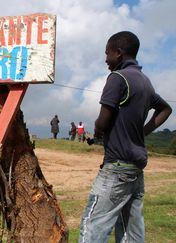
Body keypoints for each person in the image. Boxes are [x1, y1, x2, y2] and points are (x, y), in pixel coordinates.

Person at [78, 31, 172, 243]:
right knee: (132, 232)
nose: (105, 60)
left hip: (116, 169)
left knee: (92, 226)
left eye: (107, 54)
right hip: (136, 169)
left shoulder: (118, 78)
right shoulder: (145, 82)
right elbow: (165, 109)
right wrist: (143, 131)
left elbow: (102, 122)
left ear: (118, 53)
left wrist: (99, 129)